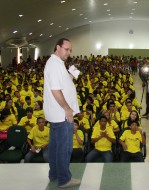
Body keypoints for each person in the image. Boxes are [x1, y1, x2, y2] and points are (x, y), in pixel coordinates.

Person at [43, 38, 81, 188]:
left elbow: (63, 84)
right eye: (67, 49)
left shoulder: (58, 64)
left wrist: (72, 74)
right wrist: (67, 108)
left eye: (71, 50)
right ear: (58, 47)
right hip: (62, 114)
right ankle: (64, 179)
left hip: (56, 113)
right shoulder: (54, 64)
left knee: (55, 146)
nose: (69, 53)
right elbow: (55, 90)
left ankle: (54, 175)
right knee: (64, 148)